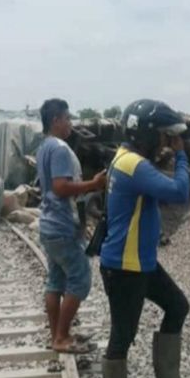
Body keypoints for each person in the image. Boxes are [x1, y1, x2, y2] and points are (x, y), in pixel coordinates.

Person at [99, 99, 190, 378]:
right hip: (125, 266)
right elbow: (179, 192)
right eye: (164, 136)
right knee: (123, 335)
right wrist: (182, 154)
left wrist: (166, 153)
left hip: (140, 262)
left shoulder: (127, 158)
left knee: (177, 306)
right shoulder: (134, 165)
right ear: (145, 135)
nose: (167, 142)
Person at [36, 98, 106, 354]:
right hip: (62, 224)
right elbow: (60, 187)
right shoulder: (60, 149)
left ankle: (57, 334)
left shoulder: (44, 147)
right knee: (80, 278)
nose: (70, 123)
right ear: (55, 120)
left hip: (48, 224)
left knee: (56, 280)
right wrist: (93, 184)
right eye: (67, 118)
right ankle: (62, 336)